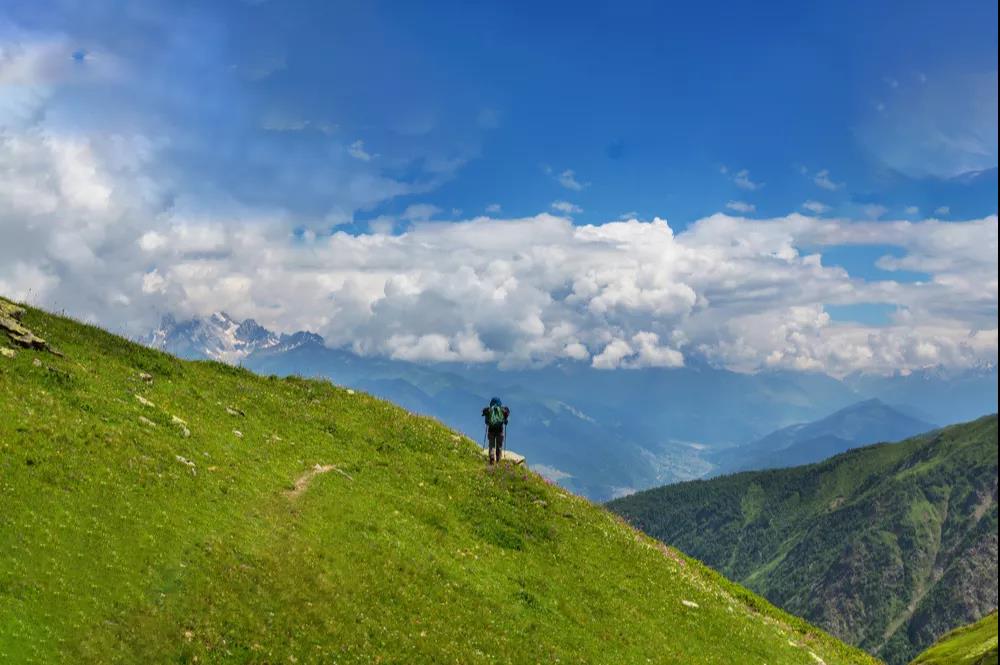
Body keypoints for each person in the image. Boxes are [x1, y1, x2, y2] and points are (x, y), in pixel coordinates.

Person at [482, 397, 510, 464]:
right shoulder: (502, 410)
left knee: (491, 445)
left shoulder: (489, 410)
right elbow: (506, 422)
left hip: (491, 431)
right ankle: (498, 460)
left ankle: (491, 457)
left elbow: (486, 422)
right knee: (499, 446)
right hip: (500, 431)